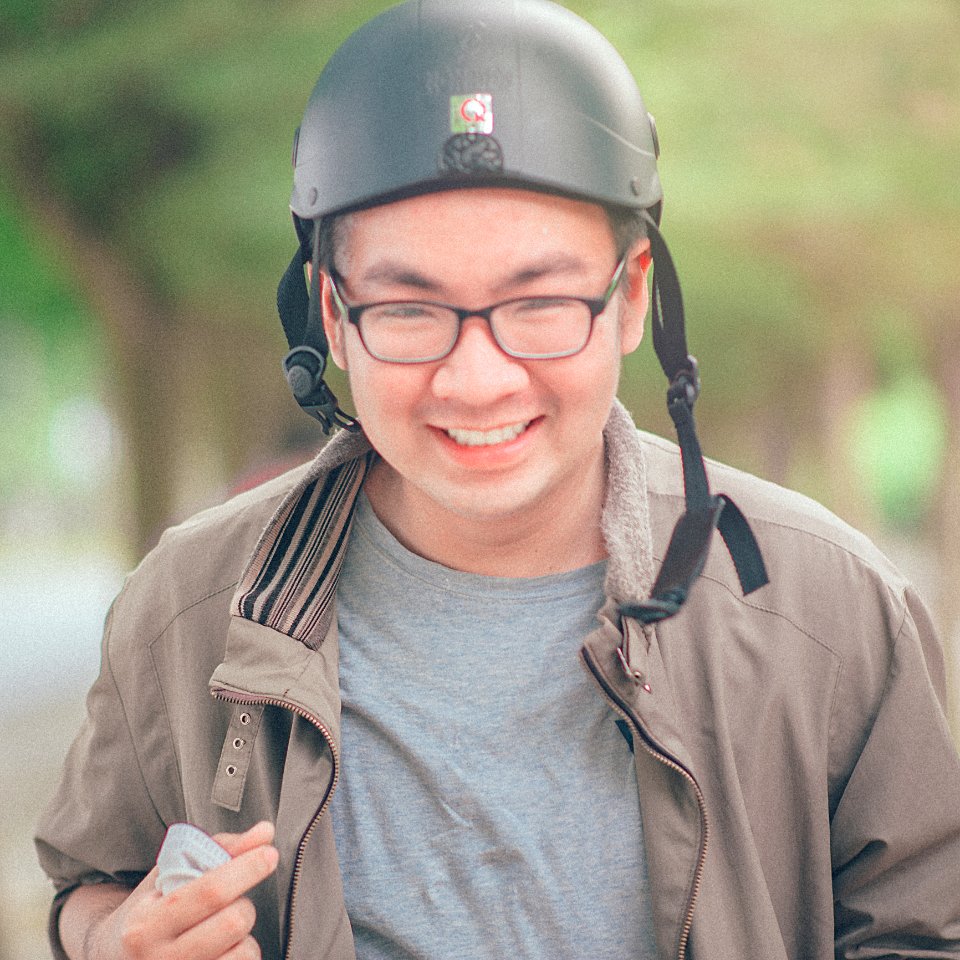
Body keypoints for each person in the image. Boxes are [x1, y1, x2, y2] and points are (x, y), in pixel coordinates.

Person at [35, 1, 960, 958]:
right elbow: (90, 878)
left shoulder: (830, 611)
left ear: (632, 295)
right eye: (407, 310)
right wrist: (113, 940)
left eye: (541, 302)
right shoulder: (188, 610)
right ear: (332, 314)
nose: (477, 381)